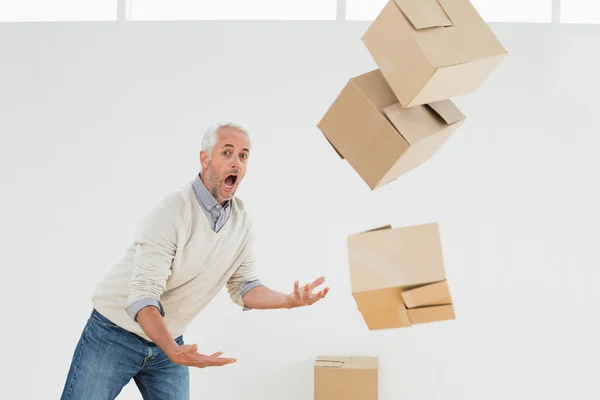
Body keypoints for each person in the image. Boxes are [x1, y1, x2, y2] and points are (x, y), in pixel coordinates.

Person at [60, 121, 329, 400]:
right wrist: (172, 350)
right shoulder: (172, 212)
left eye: (243, 155)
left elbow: (244, 287)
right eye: (227, 152)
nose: (236, 162)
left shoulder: (240, 220)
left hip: (169, 342)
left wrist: (288, 300)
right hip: (114, 333)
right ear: (205, 158)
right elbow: (142, 297)